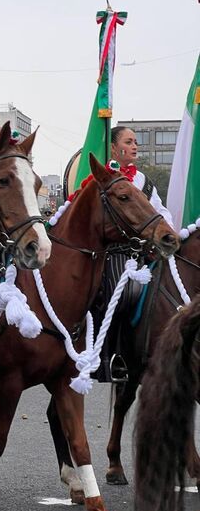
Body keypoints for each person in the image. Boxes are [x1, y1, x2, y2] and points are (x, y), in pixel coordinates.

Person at [95, 125, 174, 382]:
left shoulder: (142, 181)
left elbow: (160, 211)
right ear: (114, 148)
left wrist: (170, 231)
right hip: (116, 251)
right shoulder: (104, 177)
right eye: (129, 142)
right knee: (127, 292)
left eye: (136, 141)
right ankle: (112, 355)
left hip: (145, 252)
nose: (135, 146)